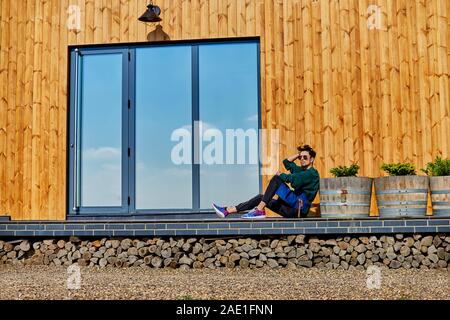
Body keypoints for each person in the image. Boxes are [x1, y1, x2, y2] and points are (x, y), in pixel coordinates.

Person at [212, 144, 320, 219]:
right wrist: (298, 154)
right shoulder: (301, 170)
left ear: (312, 159)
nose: (302, 159)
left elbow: (293, 180)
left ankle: (259, 210)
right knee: (261, 198)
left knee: (277, 179)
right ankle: (228, 210)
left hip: (297, 210)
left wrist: (280, 175)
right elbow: (286, 162)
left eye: (305, 157)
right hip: (290, 207)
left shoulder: (312, 173)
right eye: (300, 157)